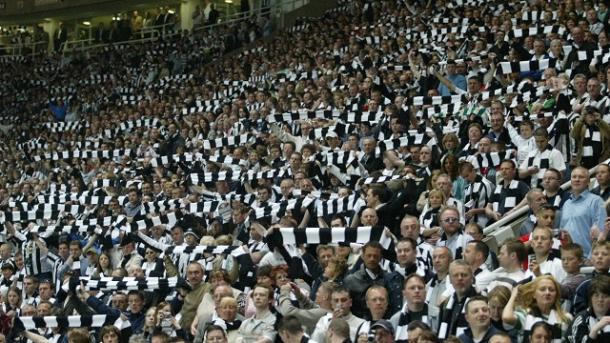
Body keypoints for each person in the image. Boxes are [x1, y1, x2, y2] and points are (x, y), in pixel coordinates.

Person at [502, 275, 573, 342]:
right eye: (542, 289)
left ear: (556, 295)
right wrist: (513, 295)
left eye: (551, 290)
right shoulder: (525, 313)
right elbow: (506, 317)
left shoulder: (566, 318)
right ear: (534, 294)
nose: (547, 292)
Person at [560, 167, 607, 258]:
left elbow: (600, 233)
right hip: (568, 259)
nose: (577, 179)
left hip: (587, 258)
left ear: (588, 181)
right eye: (574, 177)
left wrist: (591, 258)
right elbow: (562, 232)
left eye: (581, 177)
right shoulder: (566, 204)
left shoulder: (596, 201)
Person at [437, 260, 480, 339]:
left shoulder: (481, 302)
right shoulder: (445, 305)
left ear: (471, 277)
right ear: (450, 279)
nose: (460, 278)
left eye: (464, 275)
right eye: (456, 275)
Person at [567, 274, 610, 343]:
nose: (600, 300)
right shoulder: (581, 319)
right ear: (590, 298)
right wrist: (594, 331)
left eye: (605, 296)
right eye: (596, 295)